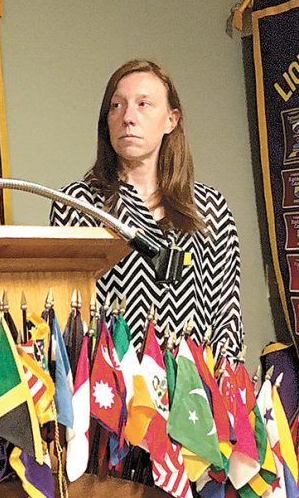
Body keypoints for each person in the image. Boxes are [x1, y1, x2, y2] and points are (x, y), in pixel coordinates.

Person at [49, 59, 244, 357]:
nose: (128, 117)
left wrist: (223, 388)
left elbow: (227, 313)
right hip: (111, 386)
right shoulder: (78, 203)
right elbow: (68, 312)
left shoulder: (208, 205)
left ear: (171, 119)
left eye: (143, 104)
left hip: (193, 387)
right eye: (116, 106)